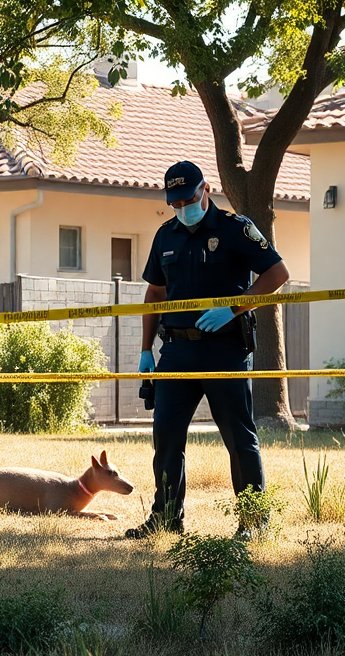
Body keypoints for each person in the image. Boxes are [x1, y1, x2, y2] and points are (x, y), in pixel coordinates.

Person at [126, 161, 290, 539]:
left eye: (189, 199)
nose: (183, 208)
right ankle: (166, 518)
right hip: (177, 352)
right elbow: (154, 293)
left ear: (206, 190)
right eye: (175, 202)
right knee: (166, 437)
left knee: (238, 437)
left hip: (225, 349)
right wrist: (146, 349)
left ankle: (253, 522)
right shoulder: (166, 234)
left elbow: (277, 275)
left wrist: (234, 307)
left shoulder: (236, 229)